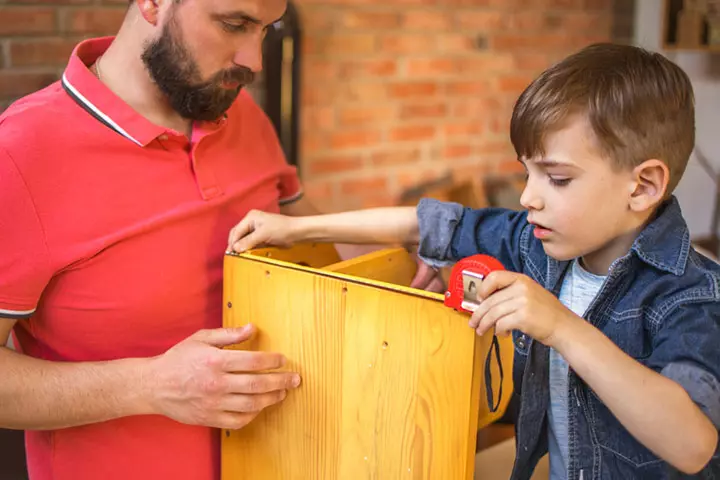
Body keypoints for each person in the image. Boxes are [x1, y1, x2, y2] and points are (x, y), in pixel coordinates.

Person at [228, 43, 720, 478]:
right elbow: (424, 224)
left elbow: (692, 445)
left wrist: (561, 327)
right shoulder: (536, 244)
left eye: (558, 179)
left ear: (643, 186)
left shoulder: (689, 294)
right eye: (527, 174)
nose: (529, 197)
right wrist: (296, 228)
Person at [0, 0, 443, 479]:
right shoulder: (21, 151)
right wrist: (150, 386)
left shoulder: (239, 111)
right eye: (235, 24)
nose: (254, 60)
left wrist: (396, 265)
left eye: (267, 31)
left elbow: (301, 226)